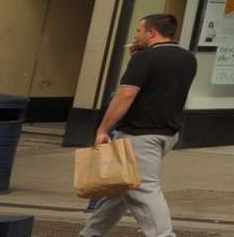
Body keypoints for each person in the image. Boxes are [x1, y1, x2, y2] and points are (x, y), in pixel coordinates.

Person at [80, 13, 197, 237]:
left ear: (152, 32)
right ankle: (89, 234)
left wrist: (103, 129)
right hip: (168, 132)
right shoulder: (188, 58)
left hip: (140, 134)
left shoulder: (145, 59)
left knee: (144, 189)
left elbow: (125, 94)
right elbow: (160, 84)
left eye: (139, 30)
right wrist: (138, 58)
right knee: (121, 189)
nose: (136, 35)